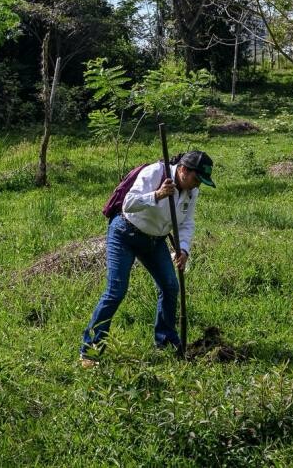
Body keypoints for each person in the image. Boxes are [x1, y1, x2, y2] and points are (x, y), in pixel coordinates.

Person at [80, 150, 216, 367]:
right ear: (183, 170)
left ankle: (165, 341)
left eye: (201, 181)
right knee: (116, 291)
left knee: (170, 286)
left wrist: (183, 249)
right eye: (196, 179)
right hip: (125, 233)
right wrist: (157, 195)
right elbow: (128, 203)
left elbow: (186, 223)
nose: (197, 185)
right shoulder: (155, 173)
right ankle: (90, 351)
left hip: (154, 241)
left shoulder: (191, 192)